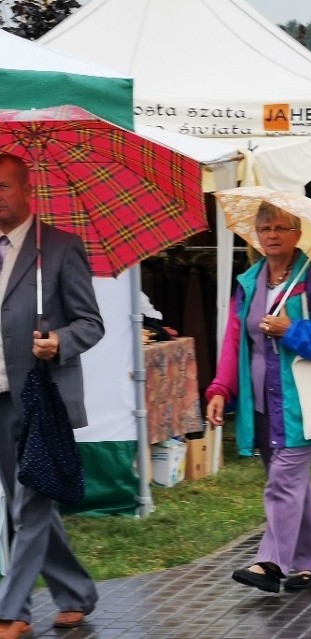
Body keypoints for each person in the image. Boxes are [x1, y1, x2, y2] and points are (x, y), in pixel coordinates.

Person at [205, 201, 311, 593]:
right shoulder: (249, 282)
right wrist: (221, 389)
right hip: (261, 404)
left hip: (300, 403)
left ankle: (270, 562)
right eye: (265, 228)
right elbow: (234, 341)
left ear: (297, 235)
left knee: (283, 483)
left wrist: (292, 330)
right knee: (290, 485)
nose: (271, 235)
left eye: (281, 228)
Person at [0, 153, 104, 637]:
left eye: (2, 186)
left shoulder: (59, 248)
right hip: (0, 398)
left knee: (32, 503)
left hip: (43, 399)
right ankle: (76, 593)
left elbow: (91, 322)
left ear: (27, 190)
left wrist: (60, 340)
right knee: (24, 501)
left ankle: (13, 611)